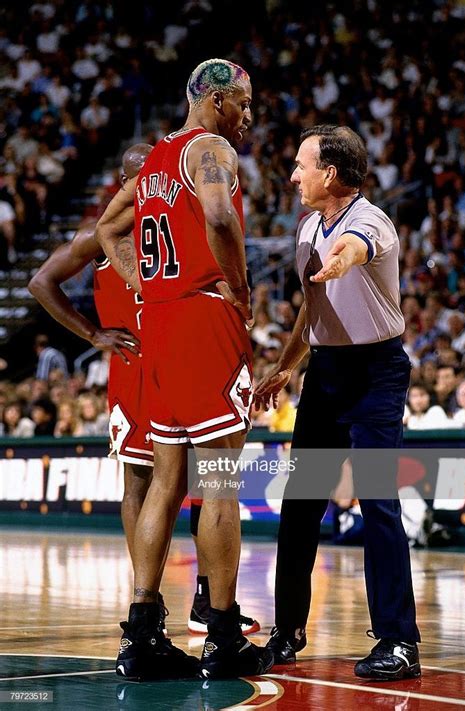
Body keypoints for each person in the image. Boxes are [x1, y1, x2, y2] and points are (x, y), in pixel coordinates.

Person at [29, 141, 259, 659]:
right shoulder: (121, 224)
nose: (141, 186)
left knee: (174, 482)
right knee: (183, 480)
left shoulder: (156, 214)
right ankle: (192, 618)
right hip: (159, 351)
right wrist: (93, 334)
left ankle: (156, 614)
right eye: (135, 178)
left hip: (160, 348)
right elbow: (41, 280)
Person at [97, 58, 273, 681]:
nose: (249, 114)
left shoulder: (154, 160)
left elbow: (106, 228)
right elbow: (222, 217)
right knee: (221, 478)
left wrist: (141, 282)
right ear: (218, 100)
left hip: (159, 323)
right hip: (203, 317)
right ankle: (223, 635)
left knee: (165, 479)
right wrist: (242, 289)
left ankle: (141, 635)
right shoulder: (210, 148)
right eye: (244, 102)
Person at [254, 125, 421, 681]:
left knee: (377, 503)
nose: (294, 174)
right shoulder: (306, 228)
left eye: (302, 165)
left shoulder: (371, 220)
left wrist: (342, 260)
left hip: (376, 372)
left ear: (330, 174)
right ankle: (288, 631)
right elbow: (313, 306)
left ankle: (399, 642)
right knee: (300, 504)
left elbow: (354, 250)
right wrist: (287, 365)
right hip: (324, 372)